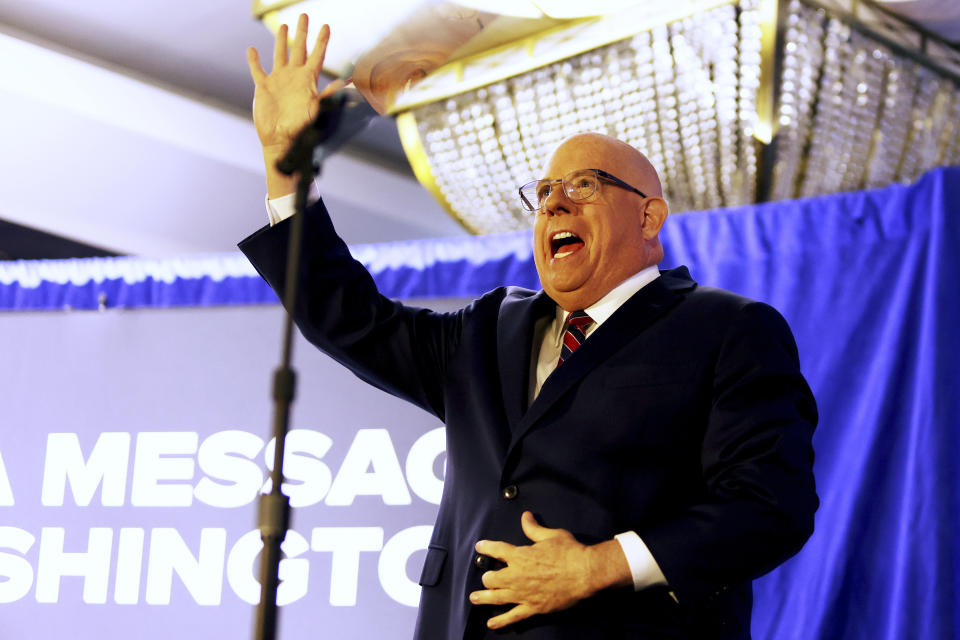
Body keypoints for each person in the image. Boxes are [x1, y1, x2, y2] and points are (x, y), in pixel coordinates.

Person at [240, 15, 817, 640]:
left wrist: (600, 566)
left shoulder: (727, 329)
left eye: (584, 185)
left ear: (649, 217)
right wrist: (284, 166)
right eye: (543, 193)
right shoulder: (487, 330)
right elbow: (350, 317)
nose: (554, 204)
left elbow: (770, 506)